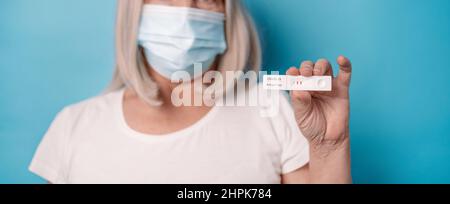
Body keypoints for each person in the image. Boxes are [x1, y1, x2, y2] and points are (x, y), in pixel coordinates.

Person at [29, 0, 353, 184]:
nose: (185, 10)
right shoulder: (74, 125)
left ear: (228, 16)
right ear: (135, 11)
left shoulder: (269, 109)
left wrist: (329, 147)